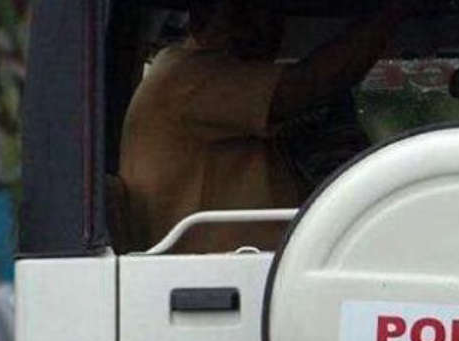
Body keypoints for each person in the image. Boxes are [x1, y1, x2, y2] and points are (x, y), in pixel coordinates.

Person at [120, 0, 419, 253]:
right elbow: (308, 86)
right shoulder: (184, 77)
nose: (254, 29)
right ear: (200, 17)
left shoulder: (232, 99)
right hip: (211, 273)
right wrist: (391, 13)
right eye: (239, 13)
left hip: (253, 268)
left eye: (269, 14)